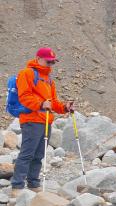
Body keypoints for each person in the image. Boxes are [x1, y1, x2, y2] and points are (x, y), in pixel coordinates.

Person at [11, 48, 74, 196]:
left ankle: (33, 183)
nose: (50, 65)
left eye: (53, 62)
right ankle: (17, 187)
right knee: (27, 154)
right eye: (48, 61)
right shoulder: (26, 73)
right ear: (38, 58)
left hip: (46, 121)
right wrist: (40, 104)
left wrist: (65, 107)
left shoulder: (49, 80)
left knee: (39, 154)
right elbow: (24, 96)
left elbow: (53, 103)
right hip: (31, 120)